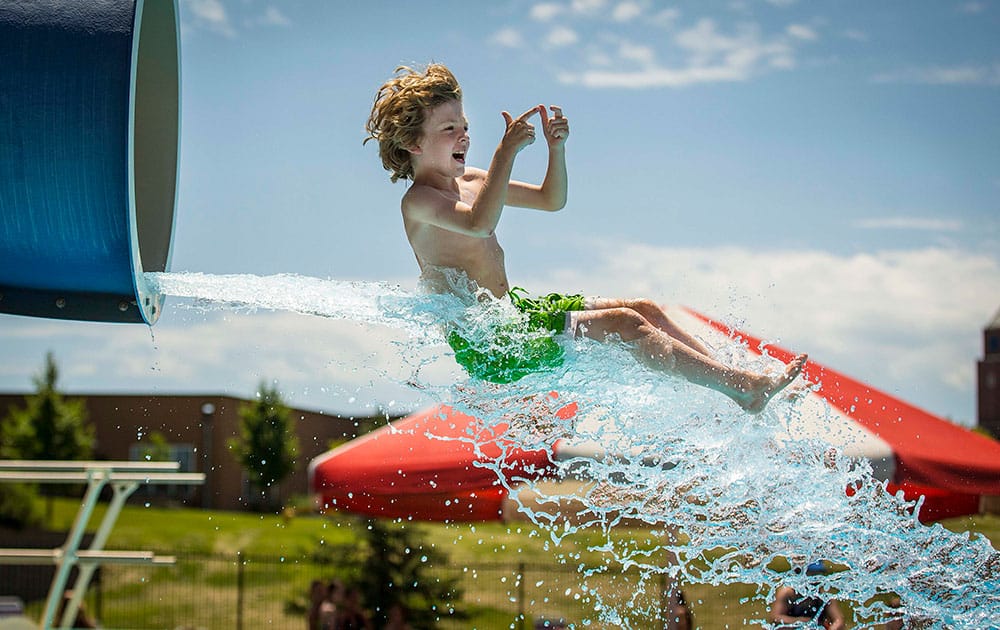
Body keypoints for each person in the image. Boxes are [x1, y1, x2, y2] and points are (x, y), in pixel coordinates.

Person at [365, 64, 806, 414]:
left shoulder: (477, 180)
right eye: (448, 129)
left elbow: (550, 200)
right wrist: (506, 154)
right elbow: (479, 224)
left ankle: (732, 380)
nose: (464, 134)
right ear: (413, 145)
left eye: (463, 124)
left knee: (645, 309)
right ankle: (744, 390)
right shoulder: (418, 202)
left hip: (515, 312)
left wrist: (556, 150)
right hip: (491, 345)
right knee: (626, 325)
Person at [769, 562, 847, 630]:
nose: (817, 578)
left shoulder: (824, 595)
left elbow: (839, 620)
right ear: (800, 573)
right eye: (813, 574)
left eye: (819, 574)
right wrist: (800, 622)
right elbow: (775, 618)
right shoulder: (788, 593)